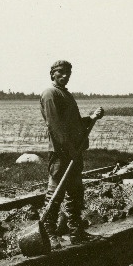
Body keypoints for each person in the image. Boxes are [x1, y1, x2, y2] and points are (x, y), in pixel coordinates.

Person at [40, 60, 104, 249]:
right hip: (61, 154)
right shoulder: (50, 94)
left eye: (68, 72)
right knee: (55, 193)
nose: (65, 75)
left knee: (76, 193)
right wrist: (70, 150)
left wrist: (91, 118)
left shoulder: (66, 94)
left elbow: (73, 124)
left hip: (74, 152)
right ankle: (49, 235)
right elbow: (55, 127)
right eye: (61, 72)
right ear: (52, 74)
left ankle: (76, 233)